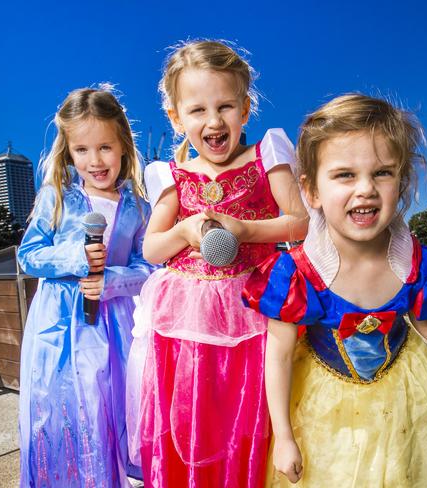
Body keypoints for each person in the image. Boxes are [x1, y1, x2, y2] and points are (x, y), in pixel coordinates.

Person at [243, 94, 427, 487]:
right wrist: (284, 436)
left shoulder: (415, 263)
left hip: (404, 398)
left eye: (383, 173)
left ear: (401, 181)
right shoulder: (297, 273)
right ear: (312, 191)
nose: (366, 189)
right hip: (324, 409)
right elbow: (280, 357)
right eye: (344, 175)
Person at [127, 40, 309, 487]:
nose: (213, 121)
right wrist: (186, 233)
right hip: (185, 317)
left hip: (252, 307)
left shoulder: (268, 157)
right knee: (191, 411)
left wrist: (248, 230)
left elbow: (301, 223)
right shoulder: (170, 174)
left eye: (225, 106)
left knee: (244, 410)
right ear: (175, 117)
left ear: (246, 109)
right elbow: (152, 250)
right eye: (197, 110)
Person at [17, 87, 153, 487]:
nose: (95, 161)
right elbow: (29, 255)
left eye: (105, 147)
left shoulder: (138, 206)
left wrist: (112, 280)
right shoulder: (56, 197)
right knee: (66, 415)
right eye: (82, 150)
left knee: (108, 411)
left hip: (114, 326)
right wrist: (76, 258)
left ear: (124, 145)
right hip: (60, 327)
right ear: (69, 152)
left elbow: (147, 265)